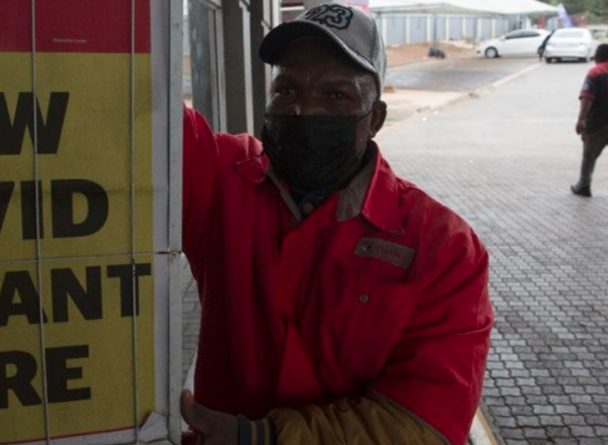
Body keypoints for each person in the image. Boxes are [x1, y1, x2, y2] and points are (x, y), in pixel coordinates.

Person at [179, 2, 494, 444]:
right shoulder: (223, 178)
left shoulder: (443, 247)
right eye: (286, 90)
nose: (304, 111)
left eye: (336, 96)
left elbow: (425, 421)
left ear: (375, 118)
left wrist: (265, 438)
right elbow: (141, 113)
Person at [572, 43, 608, 197]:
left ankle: (584, 185)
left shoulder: (595, 72)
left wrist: (581, 119)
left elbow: (587, 97)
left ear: (598, 57)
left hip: (598, 123)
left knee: (589, 156)